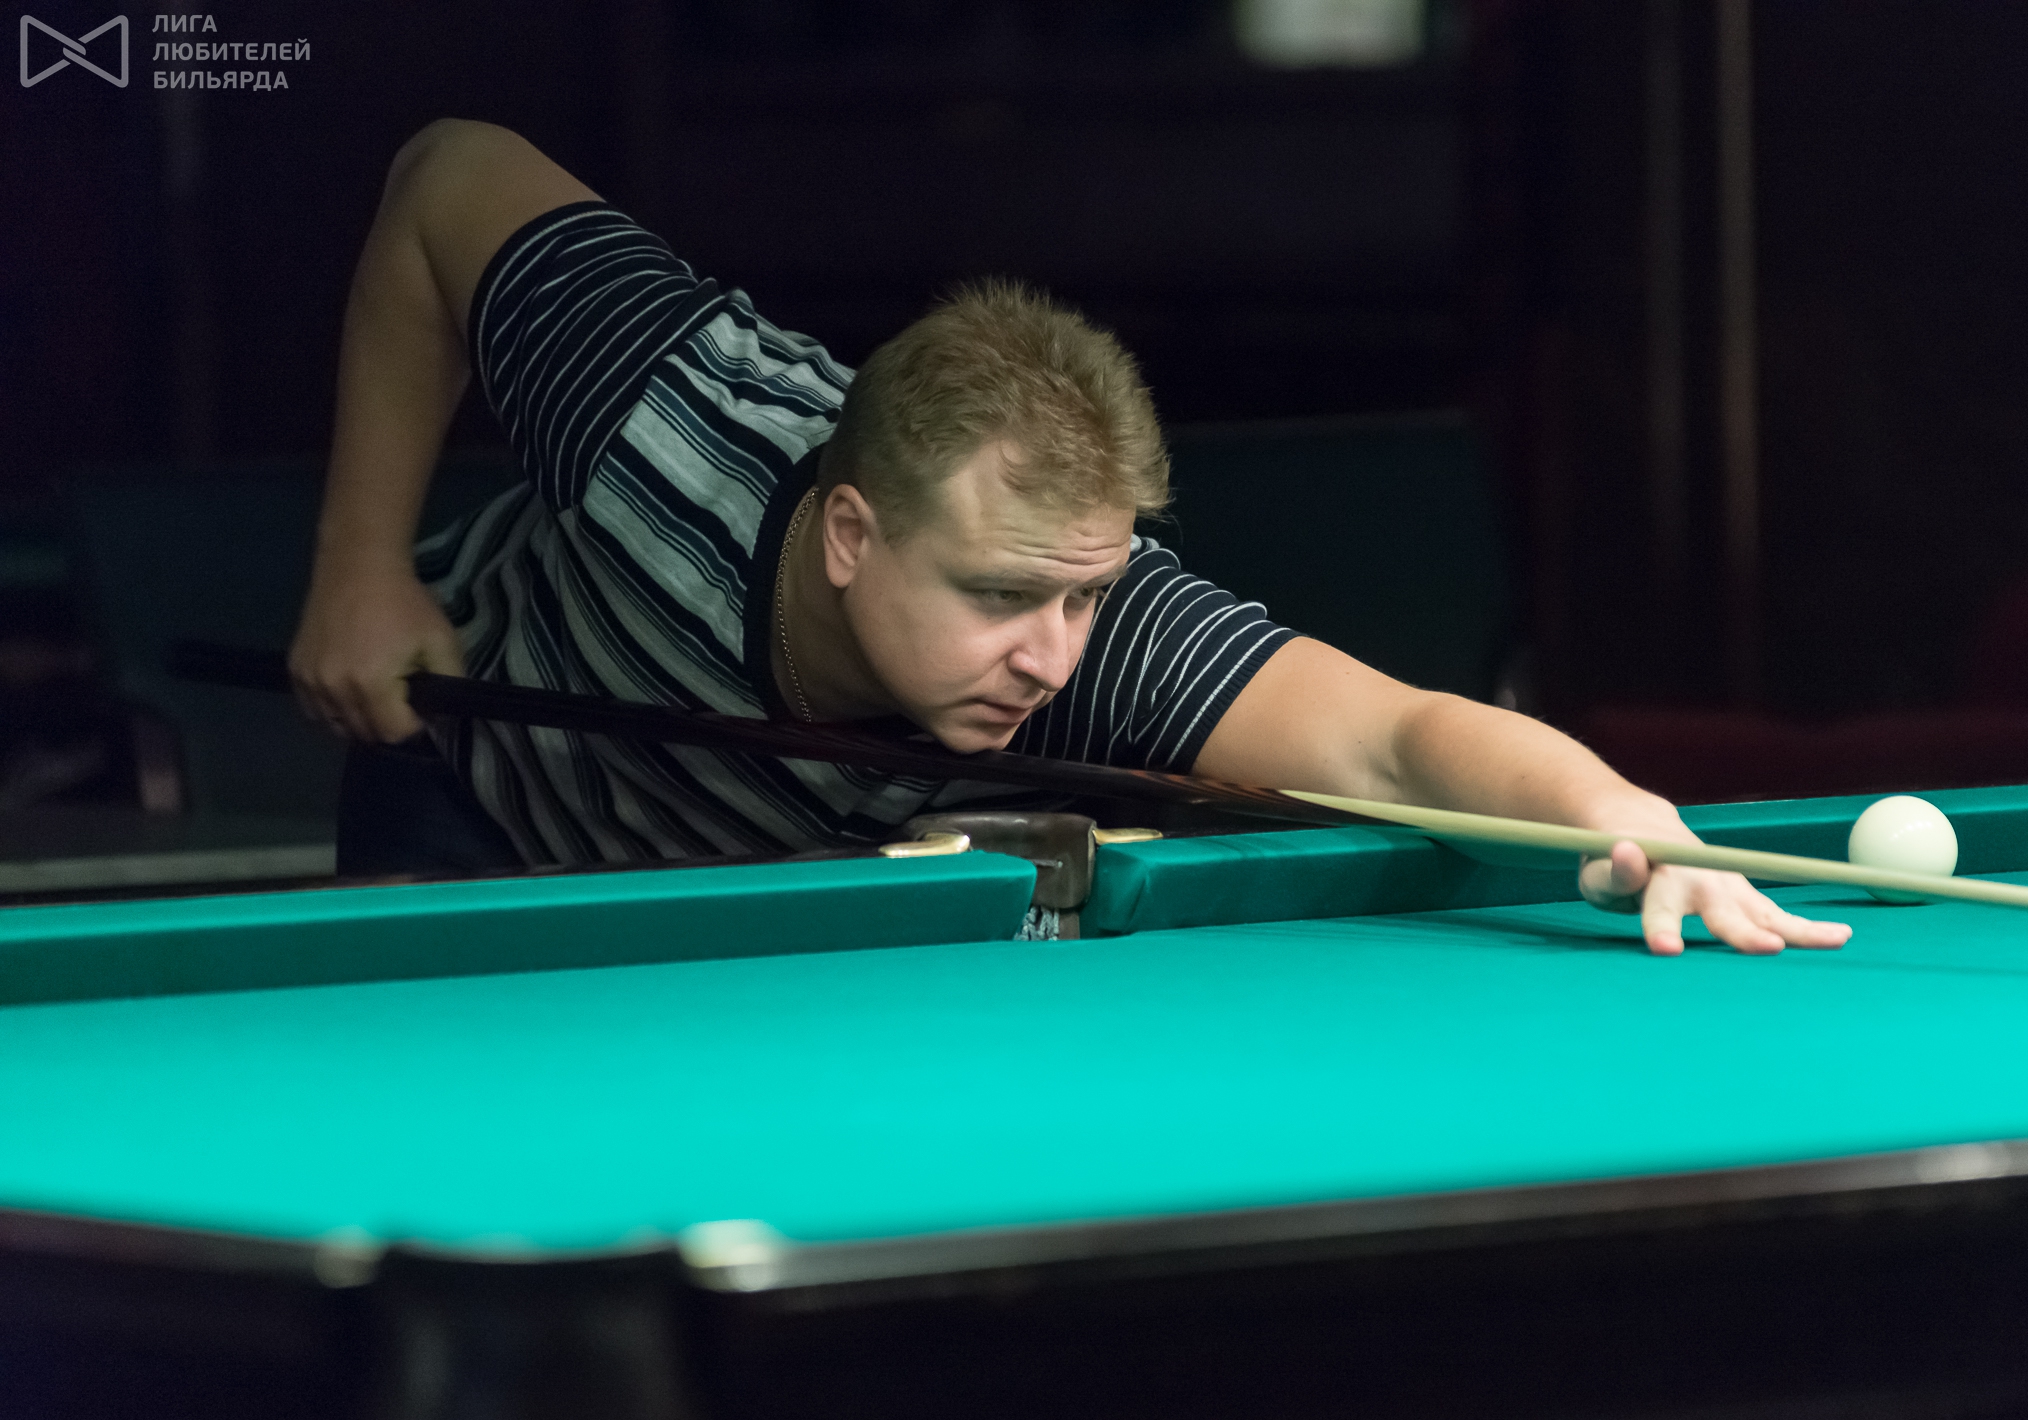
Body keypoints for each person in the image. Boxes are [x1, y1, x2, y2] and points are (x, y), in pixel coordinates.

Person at [290, 119, 1848, 959]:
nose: (1048, 656)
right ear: (850, 532)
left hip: (763, 921)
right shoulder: (663, 405)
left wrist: (1612, 808)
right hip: (481, 801)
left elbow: (1390, 736)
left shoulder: (1095, 636)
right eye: (996, 595)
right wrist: (360, 563)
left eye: (1083, 597)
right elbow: (444, 175)